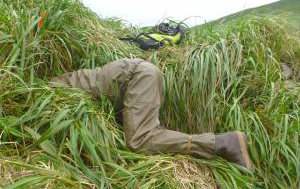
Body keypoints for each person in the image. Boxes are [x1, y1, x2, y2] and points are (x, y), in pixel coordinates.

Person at [49, 58, 252, 169]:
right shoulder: (75, 78)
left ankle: (223, 143)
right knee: (148, 133)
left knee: (139, 140)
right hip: (139, 74)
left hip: (137, 77)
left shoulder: (51, 89)